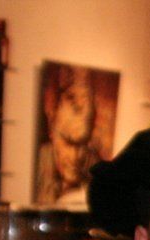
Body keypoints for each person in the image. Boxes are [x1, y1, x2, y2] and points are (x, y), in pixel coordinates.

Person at [35, 64, 105, 205]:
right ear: (51, 129)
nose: (76, 156)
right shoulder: (39, 162)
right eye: (68, 142)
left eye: (83, 144)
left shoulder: (95, 166)